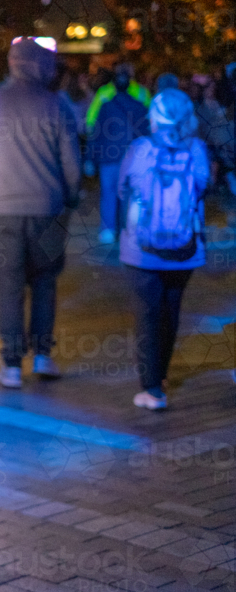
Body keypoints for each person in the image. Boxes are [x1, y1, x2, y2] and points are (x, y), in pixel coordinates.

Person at [0, 38, 81, 388]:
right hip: (47, 211)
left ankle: (10, 365)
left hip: (2, 212)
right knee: (45, 283)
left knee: (7, 289)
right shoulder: (56, 105)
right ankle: (42, 356)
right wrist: (70, 198)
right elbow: (71, 162)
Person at [118, 89, 209, 411]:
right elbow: (203, 188)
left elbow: (122, 188)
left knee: (147, 315)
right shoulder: (197, 150)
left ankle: (152, 388)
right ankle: (162, 376)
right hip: (185, 249)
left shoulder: (141, 149)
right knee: (171, 312)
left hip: (141, 250)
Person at [90, 63, 151, 245]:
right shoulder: (142, 98)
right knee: (130, 194)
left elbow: (94, 127)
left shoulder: (104, 99)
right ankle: (129, 230)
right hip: (133, 159)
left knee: (108, 193)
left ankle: (108, 230)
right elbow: (147, 132)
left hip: (108, 158)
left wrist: (91, 158)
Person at [86, 61, 151, 135]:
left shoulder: (103, 91)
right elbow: (149, 115)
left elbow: (92, 115)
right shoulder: (142, 91)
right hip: (135, 134)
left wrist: (91, 130)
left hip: (110, 133)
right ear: (132, 73)